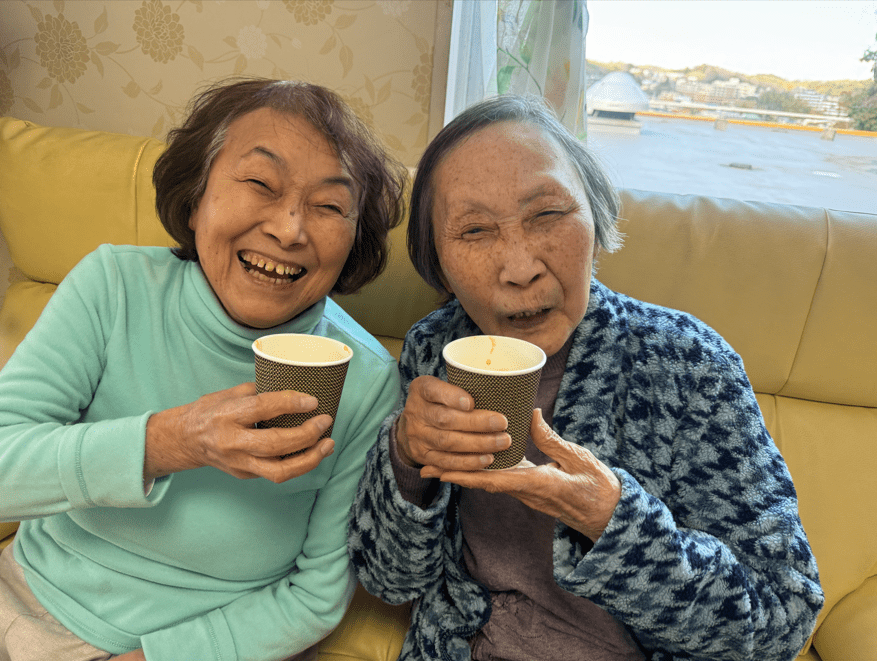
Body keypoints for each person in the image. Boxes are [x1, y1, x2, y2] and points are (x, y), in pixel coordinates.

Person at [348, 94, 824, 661]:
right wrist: (405, 458)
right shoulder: (435, 349)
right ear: (438, 265)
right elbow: (389, 579)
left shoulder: (688, 365)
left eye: (547, 215)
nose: (520, 268)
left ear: (596, 224)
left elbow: (782, 620)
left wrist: (613, 523)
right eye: (474, 231)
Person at [0, 78, 406, 661]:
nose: (289, 229)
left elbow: (315, 597)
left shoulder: (366, 381)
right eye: (260, 184)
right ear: (195, 198)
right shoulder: (112, 287)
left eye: (329, 207)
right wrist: (170, 442)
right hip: (29, 599)